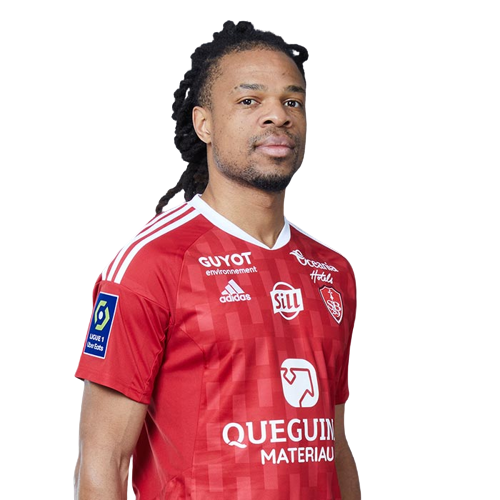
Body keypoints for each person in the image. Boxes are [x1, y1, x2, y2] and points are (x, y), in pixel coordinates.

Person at [74, 20, 361, 500]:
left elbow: (333, 443)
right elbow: (102, 462)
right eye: (249, 101)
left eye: (292, 102)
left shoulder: (334, 270)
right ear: (203, 124)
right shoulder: (150, 263)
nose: (278, 115)